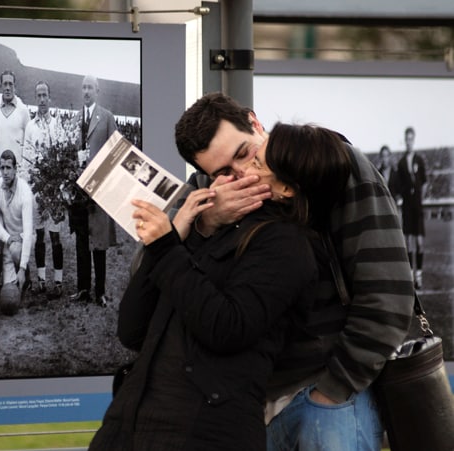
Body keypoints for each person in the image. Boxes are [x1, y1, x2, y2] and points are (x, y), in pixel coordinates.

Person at [90, 122, 356, 449]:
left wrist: (166, 247)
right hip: (127, 426)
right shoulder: (215, 223)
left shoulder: (290, 247)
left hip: (203, 432)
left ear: (287, 189)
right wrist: (183, 231)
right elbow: (131, 329)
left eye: (254, 162)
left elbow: (227, 327)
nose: (236, 174)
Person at [173, 93, 413, 451]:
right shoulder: (204, 193)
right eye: (222, 171)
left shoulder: (334, 164)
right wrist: (207, 223)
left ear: (255, 124)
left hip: (328, 391)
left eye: (244, 154)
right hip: (241, 404)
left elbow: (387, 293)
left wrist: (332, 390)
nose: (242, 175)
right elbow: (151, 271)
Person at [68, 75, 118, 306]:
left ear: (97, 91)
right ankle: (83, 289)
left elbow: (115, 153)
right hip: (78, 190)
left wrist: (100, 178)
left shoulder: (106, 118)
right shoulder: (75, 118)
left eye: (90, 87)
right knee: (81, 241)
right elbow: (69, 153)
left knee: (98, 242)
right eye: (84, 87)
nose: (86, 91)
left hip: (99, 189)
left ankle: (100, 291)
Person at [22, 81, 66, 299]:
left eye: (44, 95)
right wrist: (31, 187)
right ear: (35, 98)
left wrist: (59, 184)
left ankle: (58, 281)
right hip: (38, 189)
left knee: (55, 237)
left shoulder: (58, 125)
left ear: (50, 98)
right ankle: (40, 279)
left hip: (55, 191)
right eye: (38, 95)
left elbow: (64, 157)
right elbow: (26, 161)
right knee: (39, 236)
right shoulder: (30, 127)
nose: (41, 99)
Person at [0, 150, 34, 303]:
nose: (5, 172)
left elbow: (28, 233)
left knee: (15, 251)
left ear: (15, 169)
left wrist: (21, 268)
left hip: (22, 239)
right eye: (2, 168)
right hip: (8, 238)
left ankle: (25, 277)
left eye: (8, 168)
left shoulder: (25, 192)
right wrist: (7, 238)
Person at [394, 126, 427, 289]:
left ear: (413, 140)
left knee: (420, 243)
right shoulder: (400, 163)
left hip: (418, 207)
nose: (408, 142)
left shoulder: (419, 160)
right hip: (407, 207)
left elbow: (425, 182)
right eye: (406, 139)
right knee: (408, 242)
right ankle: (410, 276)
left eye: (410, 139)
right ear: (404, 140)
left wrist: (421, 198)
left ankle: (419, 277)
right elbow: (399, 187)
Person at [0, 70, 29, 178]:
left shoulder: (23, 110)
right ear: (0, 86)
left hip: (18, 174)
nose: (7, 87)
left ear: (14, 86)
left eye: (10, 84)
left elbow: (28, 143)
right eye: (5, 84)